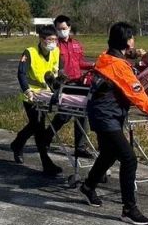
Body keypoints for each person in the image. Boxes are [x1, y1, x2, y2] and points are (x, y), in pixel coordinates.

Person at [79, 22, 148, 225]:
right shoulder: (119, 67)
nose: (134, 40)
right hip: (106, 116)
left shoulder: (107, 57)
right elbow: (138, 96)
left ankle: (88, 187)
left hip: (104, 113)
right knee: (129, 159)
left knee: (109, 154)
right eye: (132, 37)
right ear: (126, 40)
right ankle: (128, 208)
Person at [8, 25, 63, 176]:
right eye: (50, 39)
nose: (53, 42)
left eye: (55, 39)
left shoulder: (56, 52)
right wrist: (27, 90)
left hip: (47, 94)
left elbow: (57, 73)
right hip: (31, 95)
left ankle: (17, 143)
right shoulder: (30, 52)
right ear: (41, 39)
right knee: (38, 127)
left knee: (34, 125)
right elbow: (21, 73)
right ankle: (46, 163)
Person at [44, 14, 96, 158]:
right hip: (63, 83)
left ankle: (80, 147)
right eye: (59, 29)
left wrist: (92, 65)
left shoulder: (77, 44)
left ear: (69, 28)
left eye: (64, 28)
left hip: (79, 82)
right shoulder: (54, 46)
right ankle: (47, 136)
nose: (62, 31)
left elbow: (80, 62)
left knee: (82, 115)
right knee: (65, 115)